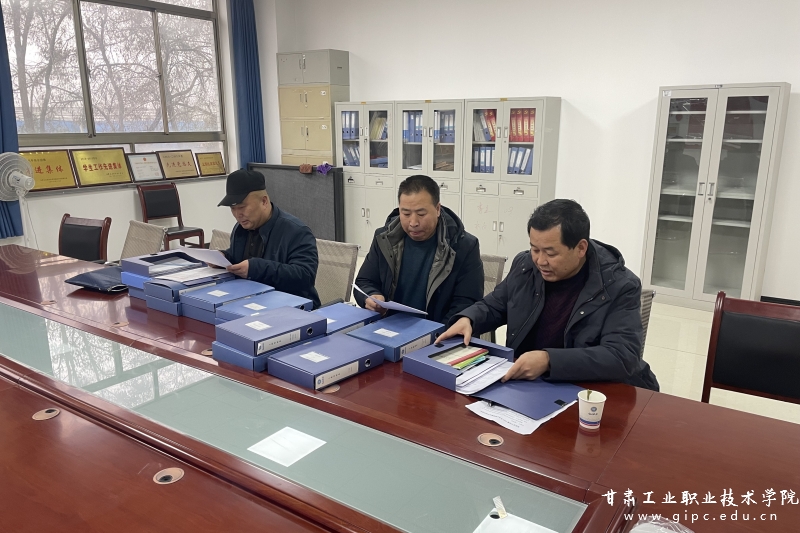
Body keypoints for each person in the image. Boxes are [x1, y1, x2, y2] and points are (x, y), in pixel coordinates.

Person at [436, 199, 659, 390]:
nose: (540, 261)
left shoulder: (619, 285)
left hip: (588, 390)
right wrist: (469, 319)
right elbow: (495, 305)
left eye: (551, 253)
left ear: (581, 248)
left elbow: (622, 355)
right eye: (535, 249)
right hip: (529, 384)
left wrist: (549, 360)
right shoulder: (525, 265)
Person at [354, 175, 483, 324]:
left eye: (421, 214)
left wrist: (437, 333)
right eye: (406, 214)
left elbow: (467, 303)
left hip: (437, 331)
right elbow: (364, 281)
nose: (413, 222)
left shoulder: (463, 246)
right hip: (387, 326)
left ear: (437, 209)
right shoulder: (384, 238)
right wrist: (371, 296)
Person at [218, 169, 320, 308]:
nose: (237, 214)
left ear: (264, 201)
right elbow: (241, 257)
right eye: (232, 208)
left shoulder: (296, 231)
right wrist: (224, 258)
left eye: (242, 207)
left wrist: (257, 268)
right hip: (251, 302)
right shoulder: (241, 228)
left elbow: (305, 277)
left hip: (293, 307)